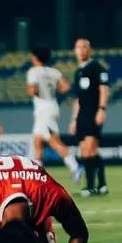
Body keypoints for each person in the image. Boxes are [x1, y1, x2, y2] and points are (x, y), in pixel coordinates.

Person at [26, 48, 81, 183]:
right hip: (52, 106)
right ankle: (37, 174)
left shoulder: (33, 72)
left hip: (43, 108)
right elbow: (66, 87)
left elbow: (32, 91)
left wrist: (38, 90)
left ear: (35, 58)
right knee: (38, 142)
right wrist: (53, 91)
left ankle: (75, 166)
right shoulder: (54, 72)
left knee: (53, 142)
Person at [70, 39, 110, 197]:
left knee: (91, 148)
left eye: (83, 47)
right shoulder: (78, 72)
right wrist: (74, 119)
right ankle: (101, 185)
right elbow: (77, 99)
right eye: (78, 47)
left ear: (89, 50)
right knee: (85, 150)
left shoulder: (97, 68)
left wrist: (102, 109)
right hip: (82, 115)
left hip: (94, 111)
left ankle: (91, 186)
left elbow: (104, 90)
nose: (81, 50)